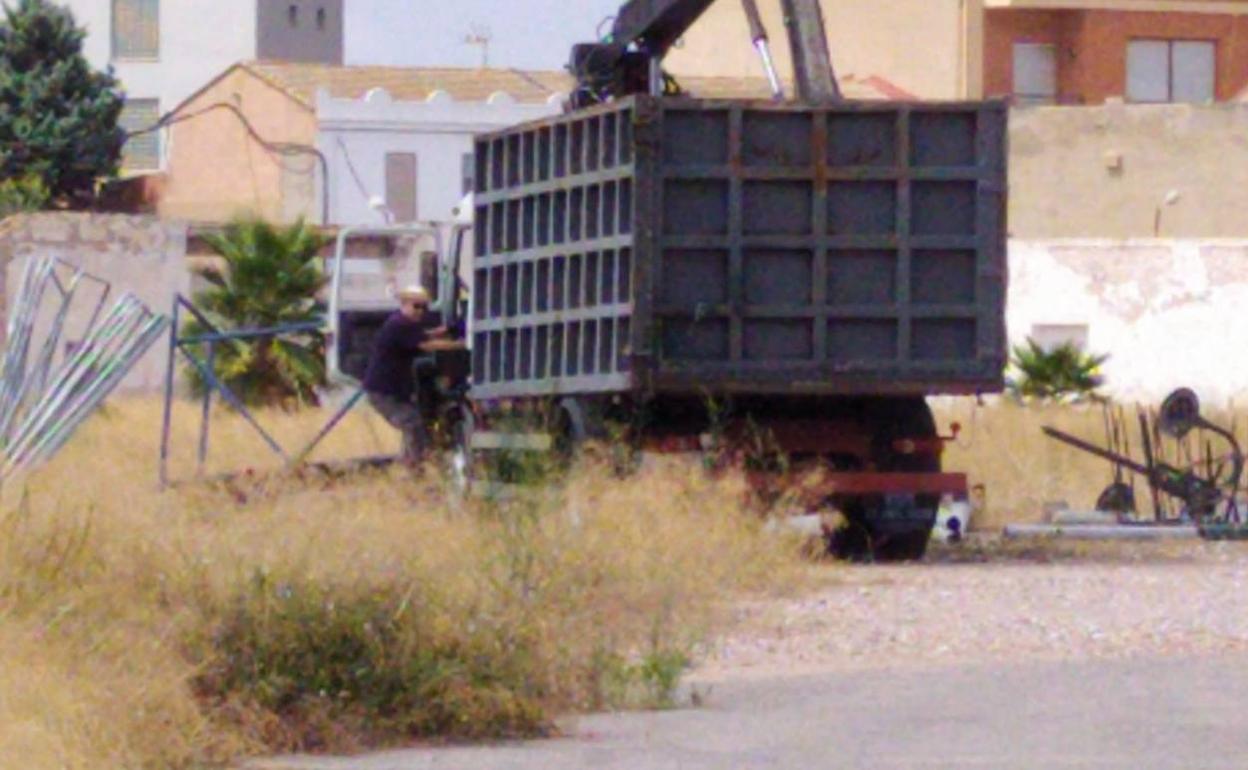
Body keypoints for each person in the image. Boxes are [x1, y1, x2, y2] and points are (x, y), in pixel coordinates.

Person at [363, 285, 459, 466]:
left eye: (424, 307)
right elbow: (426, 345)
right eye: (416, 306)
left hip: (392, 391)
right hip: (383, 392)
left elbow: (423, 336)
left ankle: (410, 465)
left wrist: (444, 331)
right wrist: (462, 344)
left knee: (413, 423)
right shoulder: (399, 325)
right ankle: (414, 468)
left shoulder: (404, 324)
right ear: (404, 304)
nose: (420, 311)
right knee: (412, 423)